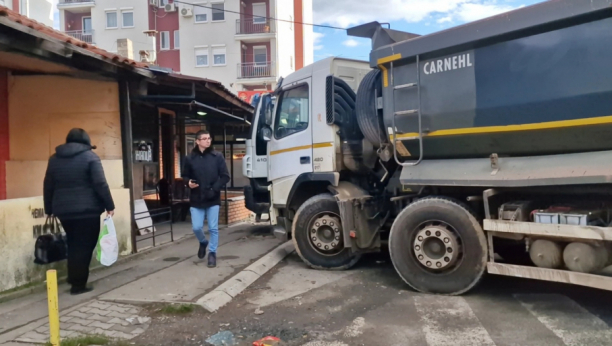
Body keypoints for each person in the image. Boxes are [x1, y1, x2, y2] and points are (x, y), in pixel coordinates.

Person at [43, 128, 115, 295]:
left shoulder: (54, 159)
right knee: (84, 246)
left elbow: (48, 185)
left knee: (74, 244)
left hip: (63, 211)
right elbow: (100, 184)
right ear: (86, 141)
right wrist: (109, 206)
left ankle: (73, 276)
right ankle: (78, 284)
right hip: (87, 211)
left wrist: (49, 209)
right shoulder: (90, 157)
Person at [182, 130, 230, 268]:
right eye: (204, 139)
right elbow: (185, 176)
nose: (208, 141)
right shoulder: (190, 158)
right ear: (197, 141)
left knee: (213, 228)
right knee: (196, 227)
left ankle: (212, 254)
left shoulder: (217, 157)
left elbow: (225, 176)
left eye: (209, 138)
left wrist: (214, 189)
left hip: (212, 198)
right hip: (196, 198)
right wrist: (188, 183)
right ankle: (203, 242)